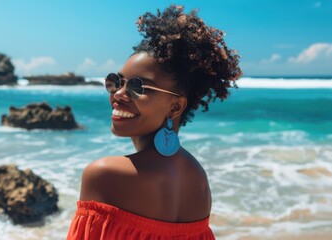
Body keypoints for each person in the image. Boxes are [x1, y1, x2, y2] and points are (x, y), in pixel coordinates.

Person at [67, 4, 242, 240]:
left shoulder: (103, 175)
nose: (118, 94)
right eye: (116, 81)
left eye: (138, 87)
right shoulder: (198, 179)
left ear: (176, 106)